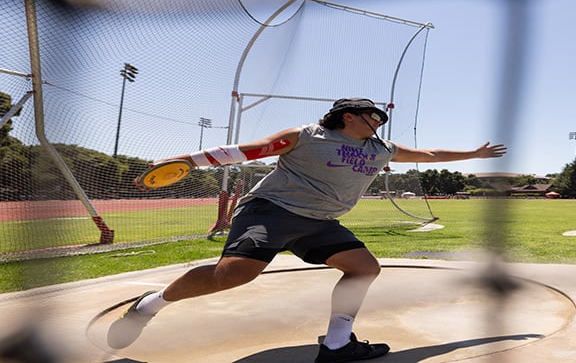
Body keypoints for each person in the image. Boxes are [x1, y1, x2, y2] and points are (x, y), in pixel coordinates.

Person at [107, 98, 507, 363]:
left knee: (364, 267)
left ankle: (337, 345)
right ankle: (148, 306)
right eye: (373, 116)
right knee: (233, 275)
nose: (379, 122)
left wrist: (474, 153)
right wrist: (188, 160)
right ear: (348, 116)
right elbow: (250, 150)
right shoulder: (307, 136)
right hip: (272, 210)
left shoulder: (381, 149)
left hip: (320, 221)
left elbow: (430, 153)